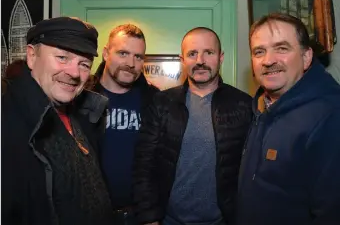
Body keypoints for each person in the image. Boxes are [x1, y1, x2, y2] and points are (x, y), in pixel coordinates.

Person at [133, 27, 253, 225]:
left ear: (220, 57)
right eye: (192, 54)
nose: (200, 61)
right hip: (168, 220)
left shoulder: (243, 105)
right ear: (182, 60)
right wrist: (149, 218)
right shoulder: (161, 103)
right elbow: (144, 165)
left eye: (209, 52)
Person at [1, 17, 115, 225]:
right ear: (32, 56)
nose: (74, 73)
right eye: (62, 57)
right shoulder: (6, 121)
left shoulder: (85, 115)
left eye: (84, 64)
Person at [237, 13, 340, 225]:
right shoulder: (260, 107)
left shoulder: (330, 115)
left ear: (306, 57)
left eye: (282, 48)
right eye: (259, 52)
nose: (268, 60)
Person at [86, 24, 158, 225]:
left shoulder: (155, 101)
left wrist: (151, 213)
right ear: (106, 53)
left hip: (140, 216)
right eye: (123, 53)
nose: (131, 63)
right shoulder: (81, 98)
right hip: (92, 215)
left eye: (138, 56)